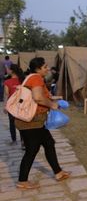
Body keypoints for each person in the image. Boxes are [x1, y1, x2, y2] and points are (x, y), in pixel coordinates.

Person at [15, 57, 70, 190]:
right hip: (31, 121)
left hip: (36, 121)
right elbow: (38, 98)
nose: (47, 69)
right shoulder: (36, 78)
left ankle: (58, 172)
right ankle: (22, 180)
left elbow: (40, 95)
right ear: (38, 68)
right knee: (32, 150)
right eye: (45, 67)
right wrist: (52, 105)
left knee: (49, 143)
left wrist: (54, 99)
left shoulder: (32, 77)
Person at [3, 64, 25, 148]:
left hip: (11, 106)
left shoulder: (7, 82)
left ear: (12, 71)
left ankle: (14, 141)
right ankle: (23, 142)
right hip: (22, 105)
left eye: (8, 69)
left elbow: (6, 95)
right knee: (22, 124)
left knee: (12, 123)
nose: (7, 71)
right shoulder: (22, 80)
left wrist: (5, 106)